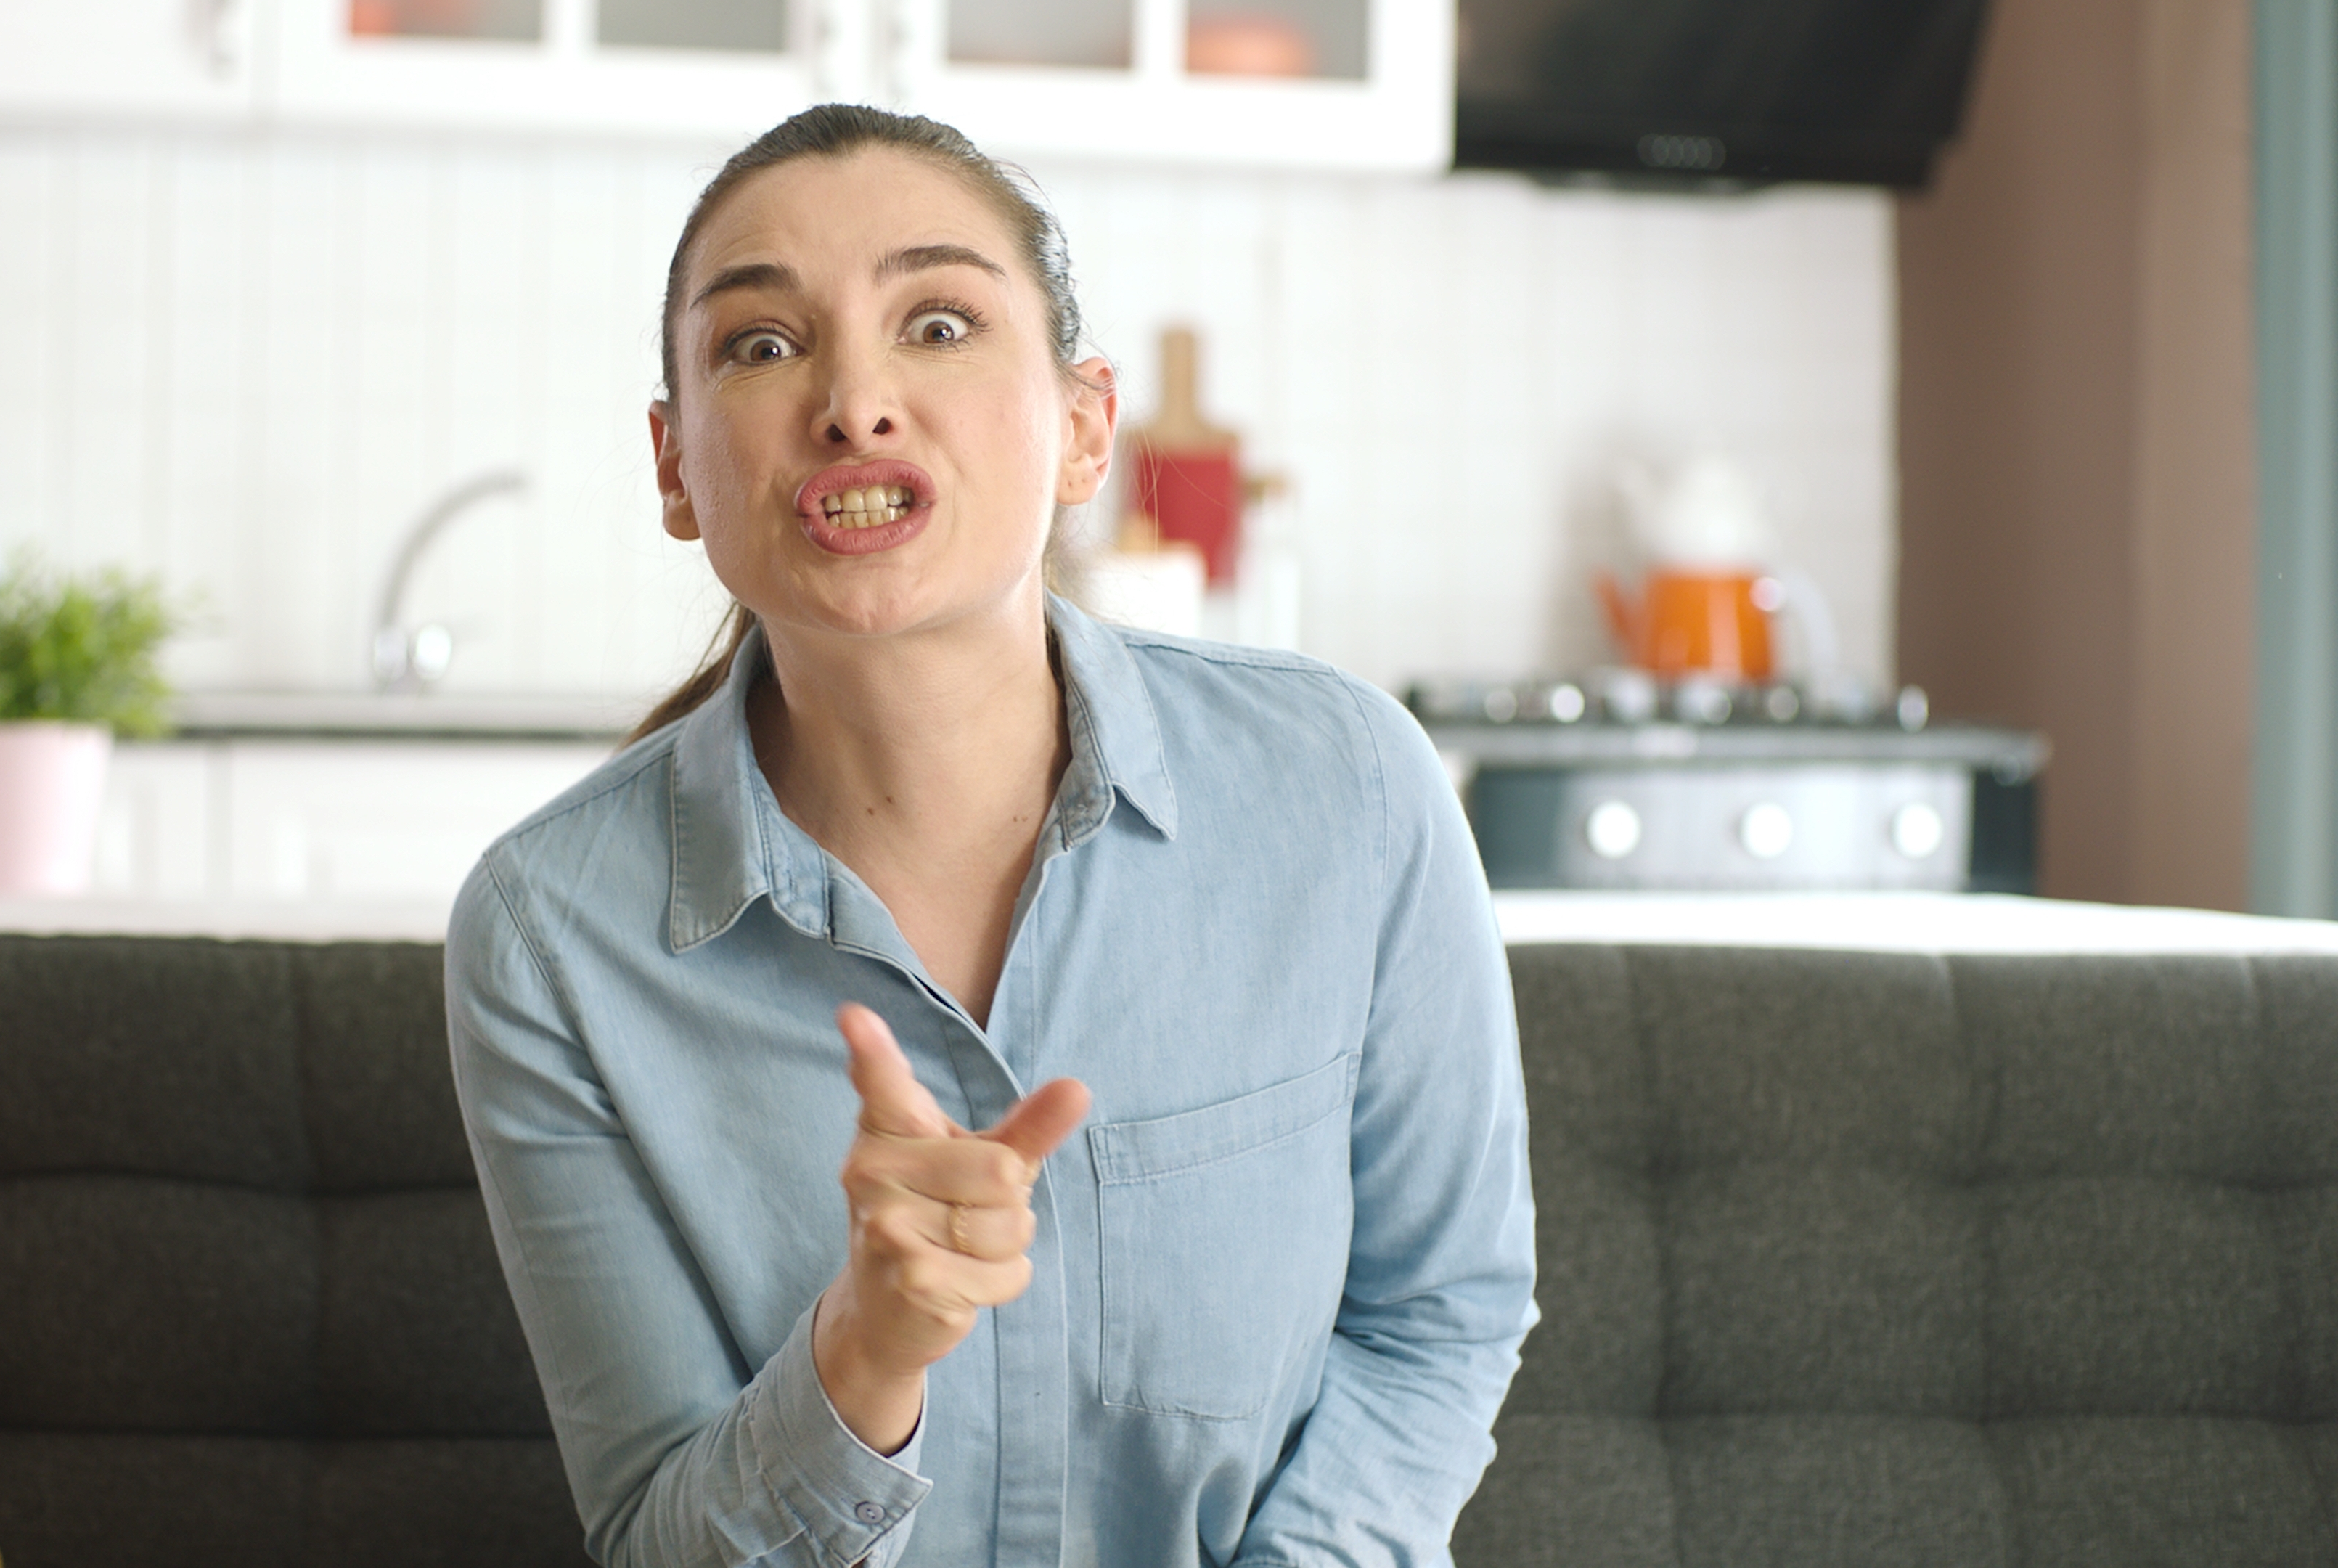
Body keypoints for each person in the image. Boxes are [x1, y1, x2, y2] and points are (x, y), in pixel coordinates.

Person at [446, 102, 1536, 1568]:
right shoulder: (546, 937)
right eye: (762, 346)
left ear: (1087, 428)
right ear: (672, 467)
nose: (853, 401)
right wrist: (865, 1355)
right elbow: (659, 1542)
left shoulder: (1347, 787)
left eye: (939, 324)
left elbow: (1437, 1317)